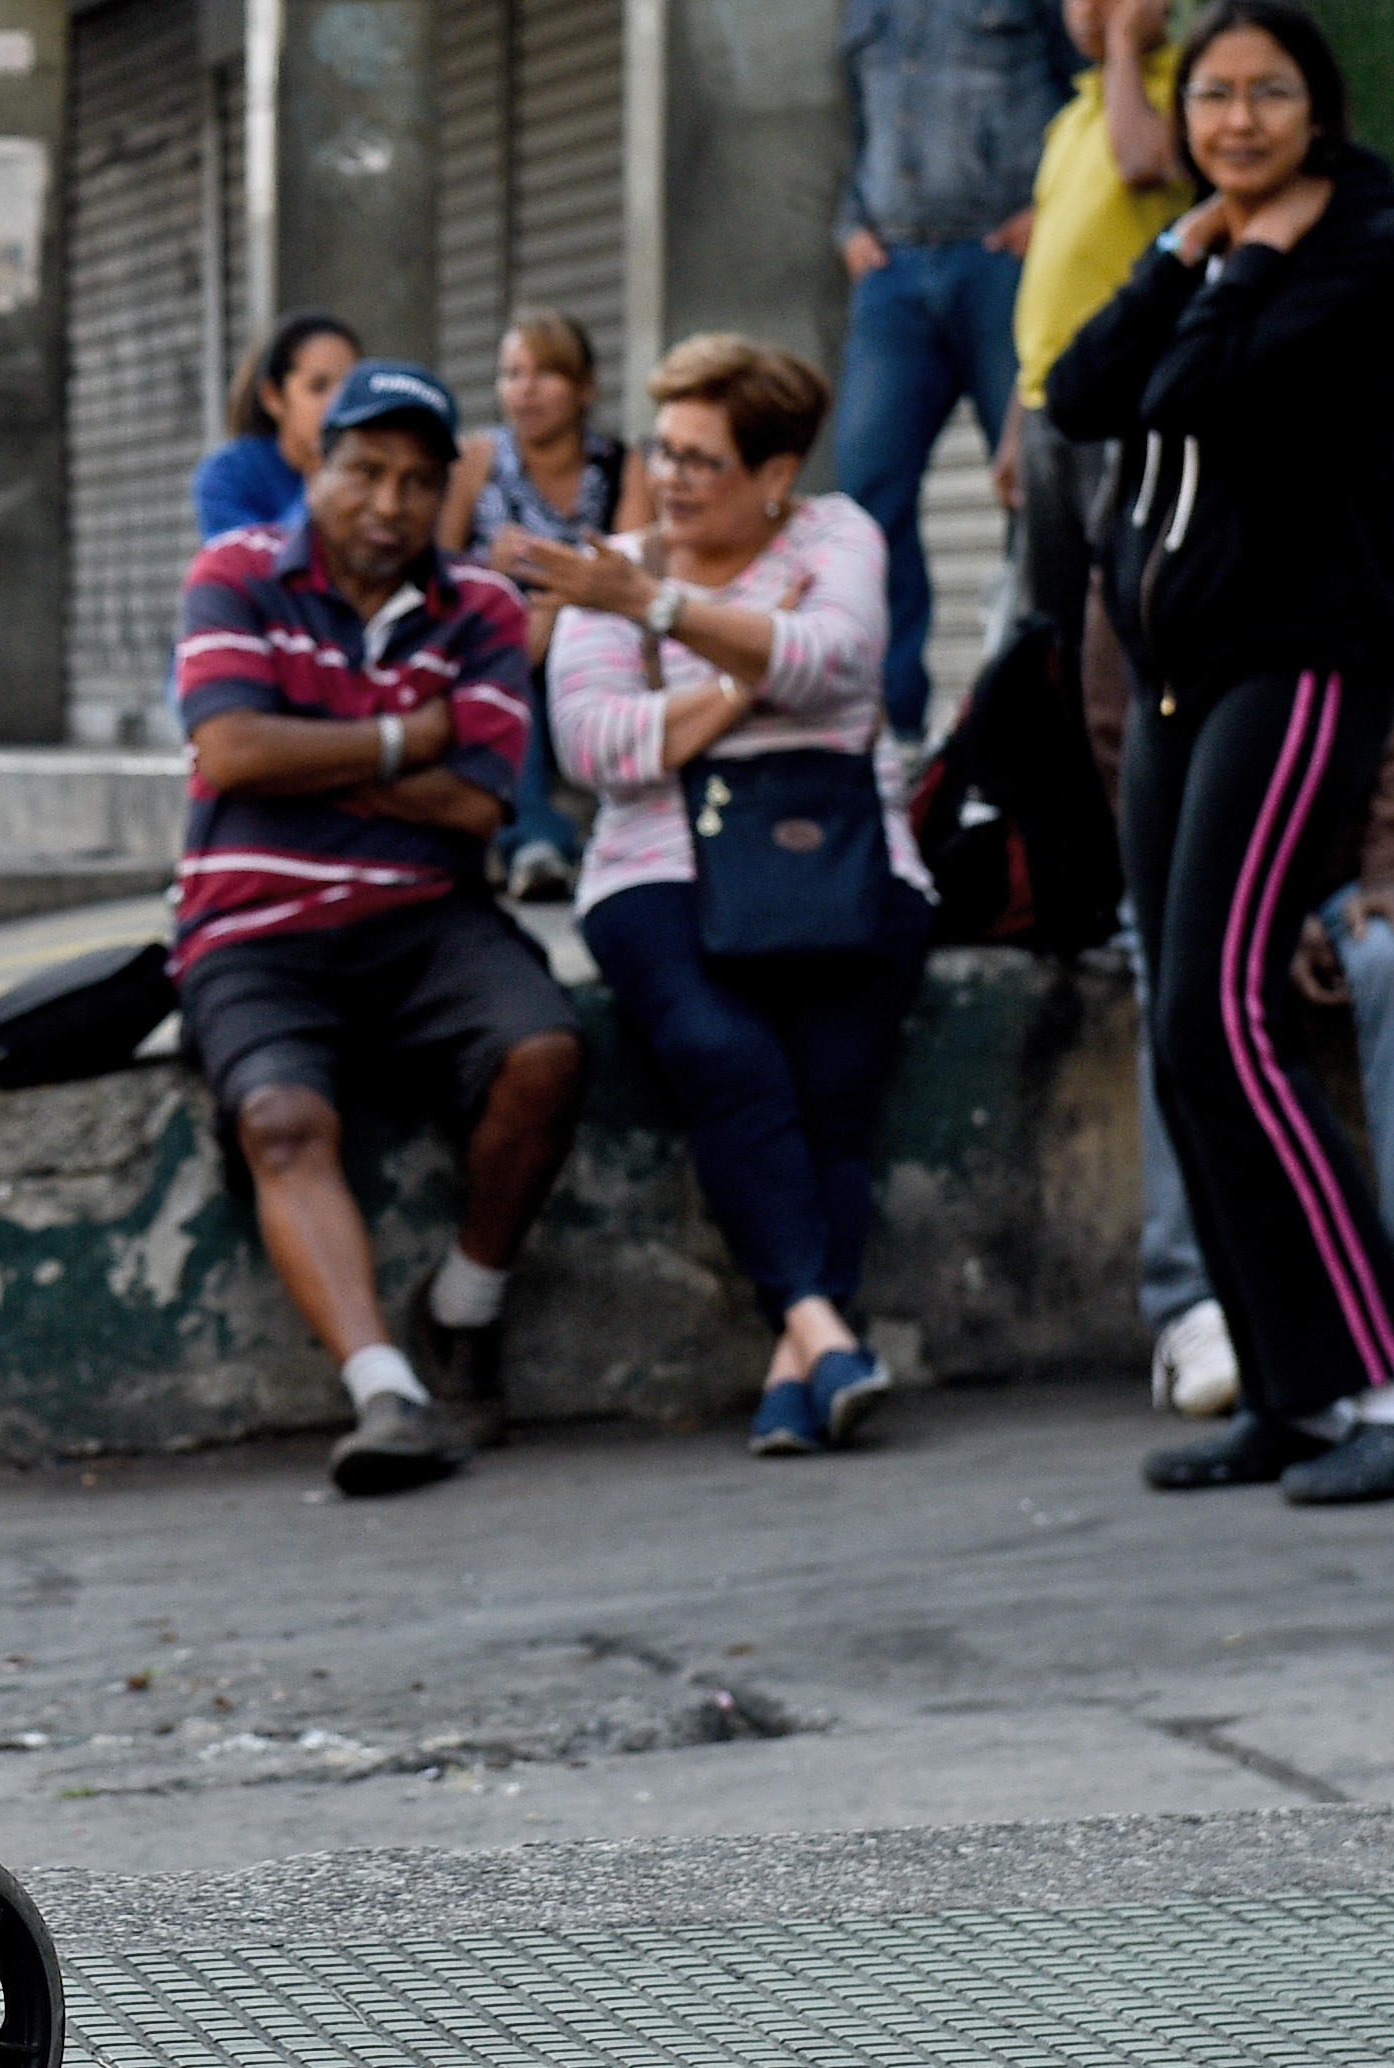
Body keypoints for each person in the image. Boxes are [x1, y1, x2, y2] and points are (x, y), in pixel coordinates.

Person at [1043, 0, 1394, 1505]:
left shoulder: (1368, 249)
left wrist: (1224, 278)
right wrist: (1188, 249)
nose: (1235, 122)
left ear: (1321, 109)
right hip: (1183, 674)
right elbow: (1083, 392)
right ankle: (1293, 1384)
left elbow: (1200, 391)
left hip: (1294, 667)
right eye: (1212, 96)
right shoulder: (1214, 242)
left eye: (1268, 94)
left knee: (1229, 1014)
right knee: (1183, 1027)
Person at [170, 359, 588, 1492]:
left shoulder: (483, 607)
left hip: (429, 916)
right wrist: (409, 736)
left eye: (416, 480)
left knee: (545, 1051)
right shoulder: (237, 572)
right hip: (249, 923)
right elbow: (232, 753)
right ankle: (386, 1394)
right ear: (320, 462)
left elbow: (481, 802)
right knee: (283, 1116)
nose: (389, 503)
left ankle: (464, 1301)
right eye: (365, 470)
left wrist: (299, 746)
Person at [515, 338, 932, 1457]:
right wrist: (746, 667)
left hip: (841, 856)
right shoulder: (613, 562)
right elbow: (598, 748)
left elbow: (838, 661)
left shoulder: (837, 534)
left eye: (704, 458)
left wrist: (663, 619)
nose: (674, 476)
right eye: (665, 449)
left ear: (775, 473)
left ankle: (800, 1366)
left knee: (833, 1086)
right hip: (659, 866)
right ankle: (819, 1328)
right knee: (726, 1051)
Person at [1142, 459, 1394, 1418]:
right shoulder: (1160, 490)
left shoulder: (1373, 484)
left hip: (1353, 853)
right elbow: (1127, 716)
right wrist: (1248, 894)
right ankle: (1194, 1305)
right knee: (1179, 1000)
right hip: (1210, 861)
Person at [833, 0, 1080, 739]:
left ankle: (1036, 725)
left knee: (1041, 487)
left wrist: (1043, 214)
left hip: (1001, 266)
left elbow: (1087, 97)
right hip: (893, 274)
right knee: (867, 494)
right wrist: (850, 230)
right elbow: (852, 124)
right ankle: (891, 728)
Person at [998, 0, 1184, 638]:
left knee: (1121, 605)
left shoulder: (1181, 92)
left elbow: (1142, 164)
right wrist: (1016, 423)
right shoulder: (1073, 117)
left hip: (1122, 399)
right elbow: (1047, 278)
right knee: (1053, 622)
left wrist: (1124, 51)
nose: (1087, 6)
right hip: (1048, 403)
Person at [446, 312, 624, 901]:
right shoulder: (475, 460)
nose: (524, 388)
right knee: (508, 659)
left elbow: (638, 571)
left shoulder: (623, 466)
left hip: (589, 628)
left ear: (585, 386)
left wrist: (561, 604)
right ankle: (534, 840)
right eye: (511, 373)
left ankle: (540, 839)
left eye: (545, 372)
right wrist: (493, 577)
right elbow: (437, 566)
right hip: (491, 635)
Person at [192, 311, 360, 538]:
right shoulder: (227, 475)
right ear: (273, 397)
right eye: (318, 387)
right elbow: (248, 563)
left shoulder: (372, 470)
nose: (338, 402)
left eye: (350, 387)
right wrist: (319, 481)